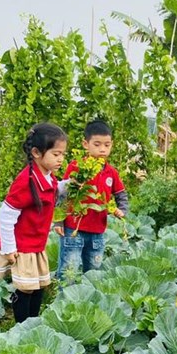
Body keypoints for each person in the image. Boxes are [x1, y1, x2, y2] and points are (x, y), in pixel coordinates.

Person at [0, 122, 68, 322]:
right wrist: (9, 248)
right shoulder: (26, 182)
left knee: (38, 285)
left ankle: (33, 321)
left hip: (36, 242)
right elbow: (6, 215)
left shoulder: (47, 175)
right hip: (22, 245)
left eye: (63, 154)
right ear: (36, 153)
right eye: (56, 154)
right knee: (25, 288)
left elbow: (53, 190)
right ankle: (22, 326)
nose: (61, 159)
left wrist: (70, 185)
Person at [54, 119, 128, 280]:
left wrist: (121, 210)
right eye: (97, 144)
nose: (102, 149)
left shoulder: (111, 172)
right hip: (73, 229)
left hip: (98, 232)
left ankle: (88, 295)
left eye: (107, 145)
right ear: (85, 144)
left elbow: (121, 194)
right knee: (69, 271)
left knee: (94, 272)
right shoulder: (76, 167)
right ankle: (64, 295)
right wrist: (58, 221)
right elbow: (62, 194)